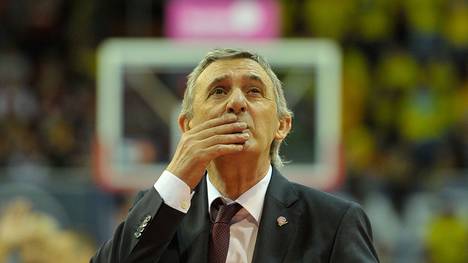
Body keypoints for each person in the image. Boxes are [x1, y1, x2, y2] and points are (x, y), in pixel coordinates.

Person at [91, 48, 380, 263]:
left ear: (282, 125)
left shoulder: (333, 222)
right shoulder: (159, 212)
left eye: (254, 91)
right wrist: (176, 177)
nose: (237, 103)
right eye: (218, 91)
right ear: (187, 125)